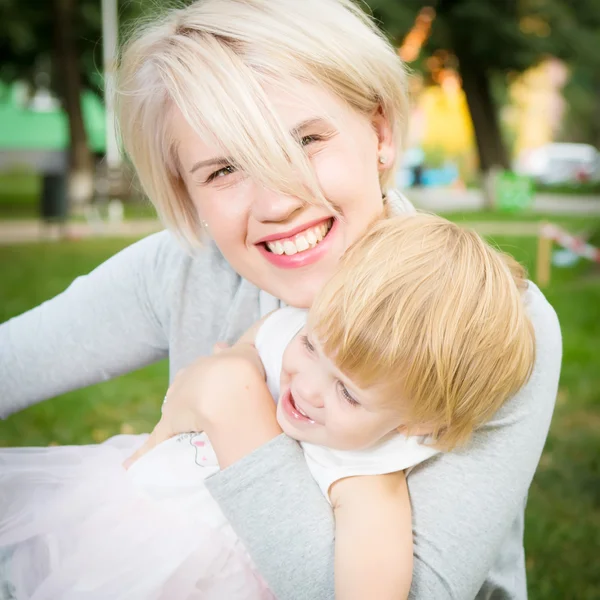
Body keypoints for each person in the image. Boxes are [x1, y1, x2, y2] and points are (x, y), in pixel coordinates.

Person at [0, 0, 561, 598]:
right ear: (185, 195)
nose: (276, 203)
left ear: (379, 132)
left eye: (304, 141)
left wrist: (233, 405)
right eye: (222, 170)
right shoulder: (186, 267)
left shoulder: (490, 322)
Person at [0, 215, 536, 600]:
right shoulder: (294, 331)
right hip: (128, 511)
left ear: (417, 423)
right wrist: (229, 364)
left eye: (348, 392)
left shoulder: (365, 474)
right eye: (310, 346)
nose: (306, 387)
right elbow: (260, 344)